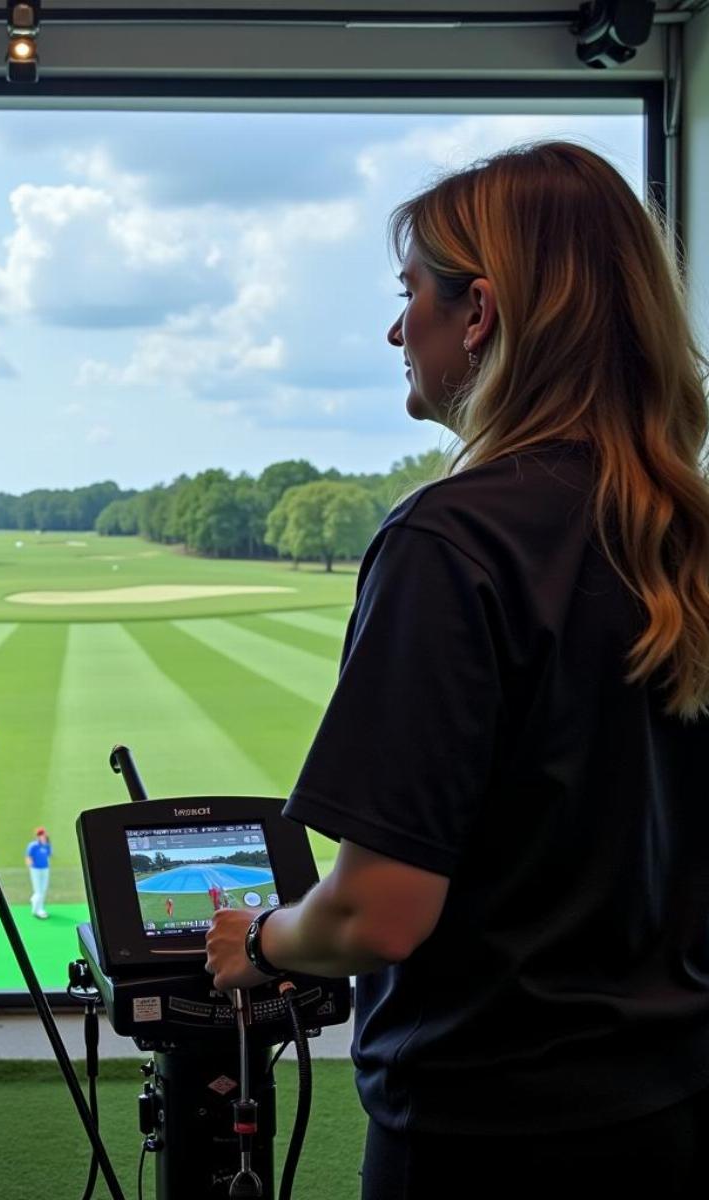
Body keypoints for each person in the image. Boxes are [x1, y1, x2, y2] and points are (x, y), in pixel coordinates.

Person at [206, 142, 709, 1199]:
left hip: (490, 1134)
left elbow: (375, 913)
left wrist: (262, 939)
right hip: (675, 1109)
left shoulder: (450, 541)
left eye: (410, 298)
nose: (398, 331)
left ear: (477, 312)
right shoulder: (686, 534)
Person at [25, 826, 52, 918]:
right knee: (39, 891)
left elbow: (49, 855)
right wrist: (31, 867)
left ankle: (34, 901)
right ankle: (38, 910)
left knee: (43, 890)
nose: (41, 836)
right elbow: (28, 857)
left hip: (45, 869)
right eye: (39, 834)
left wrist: (47, 843)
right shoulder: (33, 845)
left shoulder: (47, 845)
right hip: (35, 870)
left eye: (42, 834)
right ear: (37, 836)